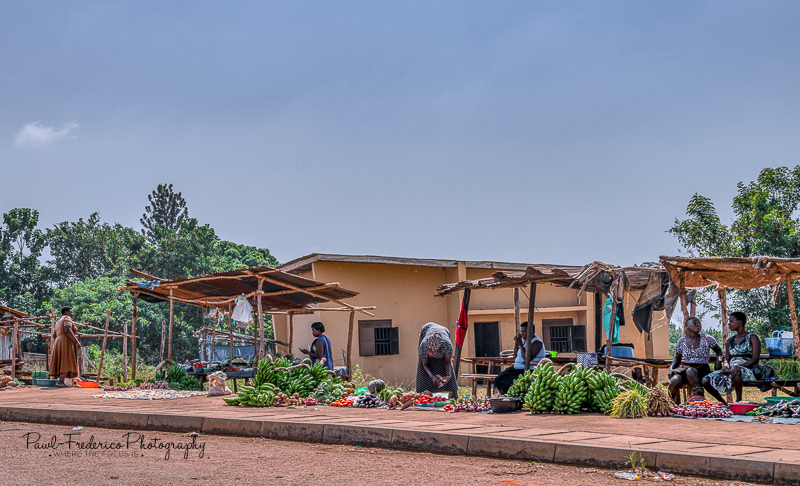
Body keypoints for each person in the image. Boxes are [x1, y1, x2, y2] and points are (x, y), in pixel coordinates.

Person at [702, 312, 764, 404]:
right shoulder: (730, 340)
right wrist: (726, 366)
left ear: (740, 322)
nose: (729, 324)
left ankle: (739, 400)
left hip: (747, 370)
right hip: (731, 370)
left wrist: (737, 367)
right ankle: (723, 402)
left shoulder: (752, 338)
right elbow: (727, 359)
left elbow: (755, 359)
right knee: (705, 380)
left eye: (731, 321)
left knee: (735, 370)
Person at [667, 317, 723, 403]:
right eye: (694, 323)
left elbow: (719, 351)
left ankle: (699, 400)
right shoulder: (681, 341)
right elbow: (677, 358)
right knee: (674, 380)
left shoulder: (707, 339)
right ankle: (669, 403)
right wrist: (671, 368)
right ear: (687, 326)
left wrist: (718, 361)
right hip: (686, 370)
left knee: (690, 371)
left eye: (699, 323)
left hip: (702, 369)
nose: (698, 324)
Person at [494, 321, 545, 395]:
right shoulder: (525, 341)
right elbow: (515, 355)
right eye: (521, 332)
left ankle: (511, 397)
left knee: (510, 382)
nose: (522, 334)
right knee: (499, 378)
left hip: (529, 369)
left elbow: (527, 358)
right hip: (517, 368)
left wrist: (520, 345)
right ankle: (506, 397)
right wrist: (517, 343)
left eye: (524, 332)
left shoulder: (536, 342)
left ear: (531, 331)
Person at [416, 322, 458, 397]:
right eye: (430, 352)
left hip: (444, 331)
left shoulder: (447, 345)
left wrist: (448, 376)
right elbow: (425, 364)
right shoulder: (423, 346)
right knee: (421, 368)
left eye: (434, 352)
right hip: (427, 328)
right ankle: (421, 396)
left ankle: (453, 395)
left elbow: (447, 362)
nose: (432, 354)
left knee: (450, 375)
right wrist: (432, 376)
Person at [49, 306, 81, 387]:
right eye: (71, 312)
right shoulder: (67, 318)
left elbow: (53, 335)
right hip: (65, 341)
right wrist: (76, 341)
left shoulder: (58, 321)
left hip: (58, 341)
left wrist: (58, 341)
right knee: (65, 360)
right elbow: (67, 330)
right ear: (66, 312)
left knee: (62, 360)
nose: (72, 314)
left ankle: (61, 381)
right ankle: (60, 382)